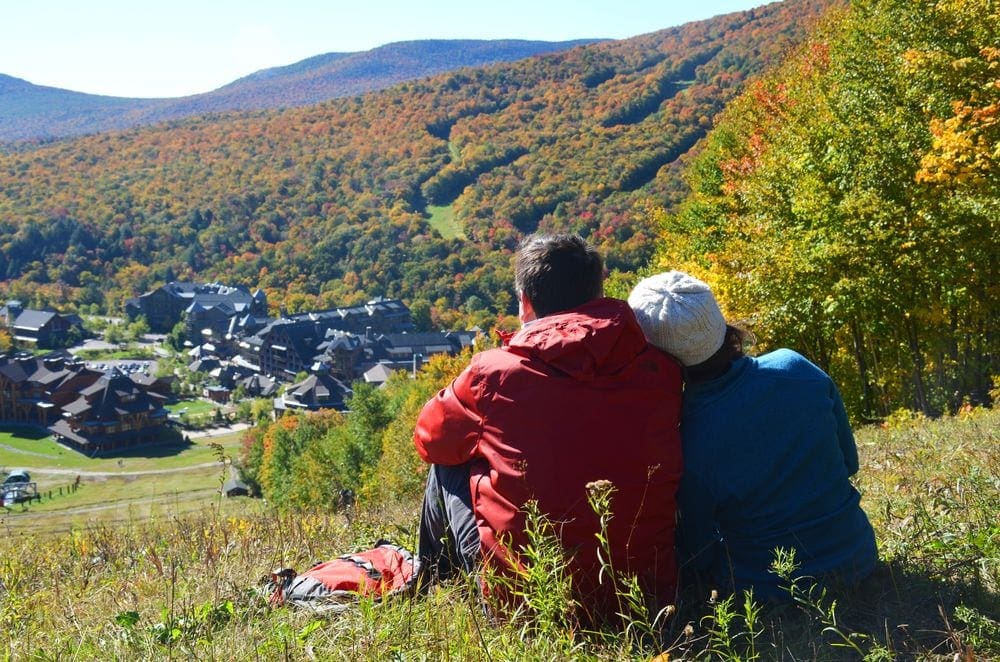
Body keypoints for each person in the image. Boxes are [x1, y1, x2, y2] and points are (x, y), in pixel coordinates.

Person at [414, 233, 683, 622]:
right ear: (598, 290)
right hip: (647, 599)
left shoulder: (493, 374)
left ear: (525, 302)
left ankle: (433, 584)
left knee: (447, 466)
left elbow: (430, 441)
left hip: (529, 604)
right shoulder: (659, 368)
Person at [628, 271, 877, 601]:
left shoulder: (686, 438)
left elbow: (699, 551)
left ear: (656, 356)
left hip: (770, 588)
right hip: (858, 557)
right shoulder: (797, 368)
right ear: (718, 322)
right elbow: (848, 462)